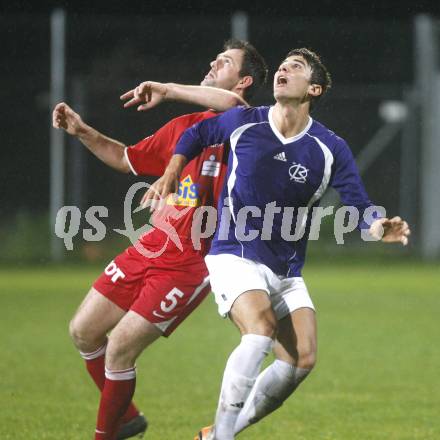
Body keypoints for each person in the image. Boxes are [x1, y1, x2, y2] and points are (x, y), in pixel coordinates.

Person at [146, 48, 411, 440]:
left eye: (296, 67)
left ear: (314, 89)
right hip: (233, 253)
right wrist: (171, 171)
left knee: (301, 360)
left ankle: (218, 433)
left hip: (286, 270)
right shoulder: (245, 122)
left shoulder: (328, 147)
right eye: (283, 64)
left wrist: (377, 228)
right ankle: (221, 437)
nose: (283, 69)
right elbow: (197, 133)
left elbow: (360, 205)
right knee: (259, 332)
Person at [52, 39, 268, 440]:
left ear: (244, 81)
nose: (212, 62)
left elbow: (233, 106)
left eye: (224, 62)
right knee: (83, 330)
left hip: (190, 264)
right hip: (150, 246)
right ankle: (128, 417)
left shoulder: (249, 125)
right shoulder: (186, 127)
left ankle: (104, 435)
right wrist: (82, 132)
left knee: (119, 348)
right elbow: (125, 157)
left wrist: (168, 89)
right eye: (215, 57)